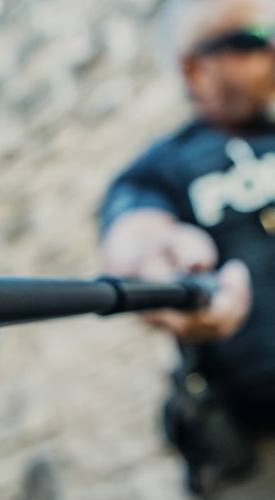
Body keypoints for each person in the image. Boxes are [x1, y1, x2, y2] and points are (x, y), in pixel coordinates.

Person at [100, 0, 275, 498]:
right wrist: (161, 261)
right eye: (253, 38)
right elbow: (135, 235)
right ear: (194, 68)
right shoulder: (161, 168)